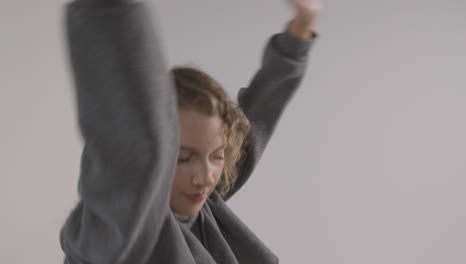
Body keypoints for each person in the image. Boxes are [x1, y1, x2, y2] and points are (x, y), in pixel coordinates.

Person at [59, 0, 321, 263]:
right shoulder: (117, 229)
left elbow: (262, 112)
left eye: (217, 156)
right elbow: (136, 137)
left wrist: (304, 22)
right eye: (184, 158)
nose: (205, 177)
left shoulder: (203, 203)